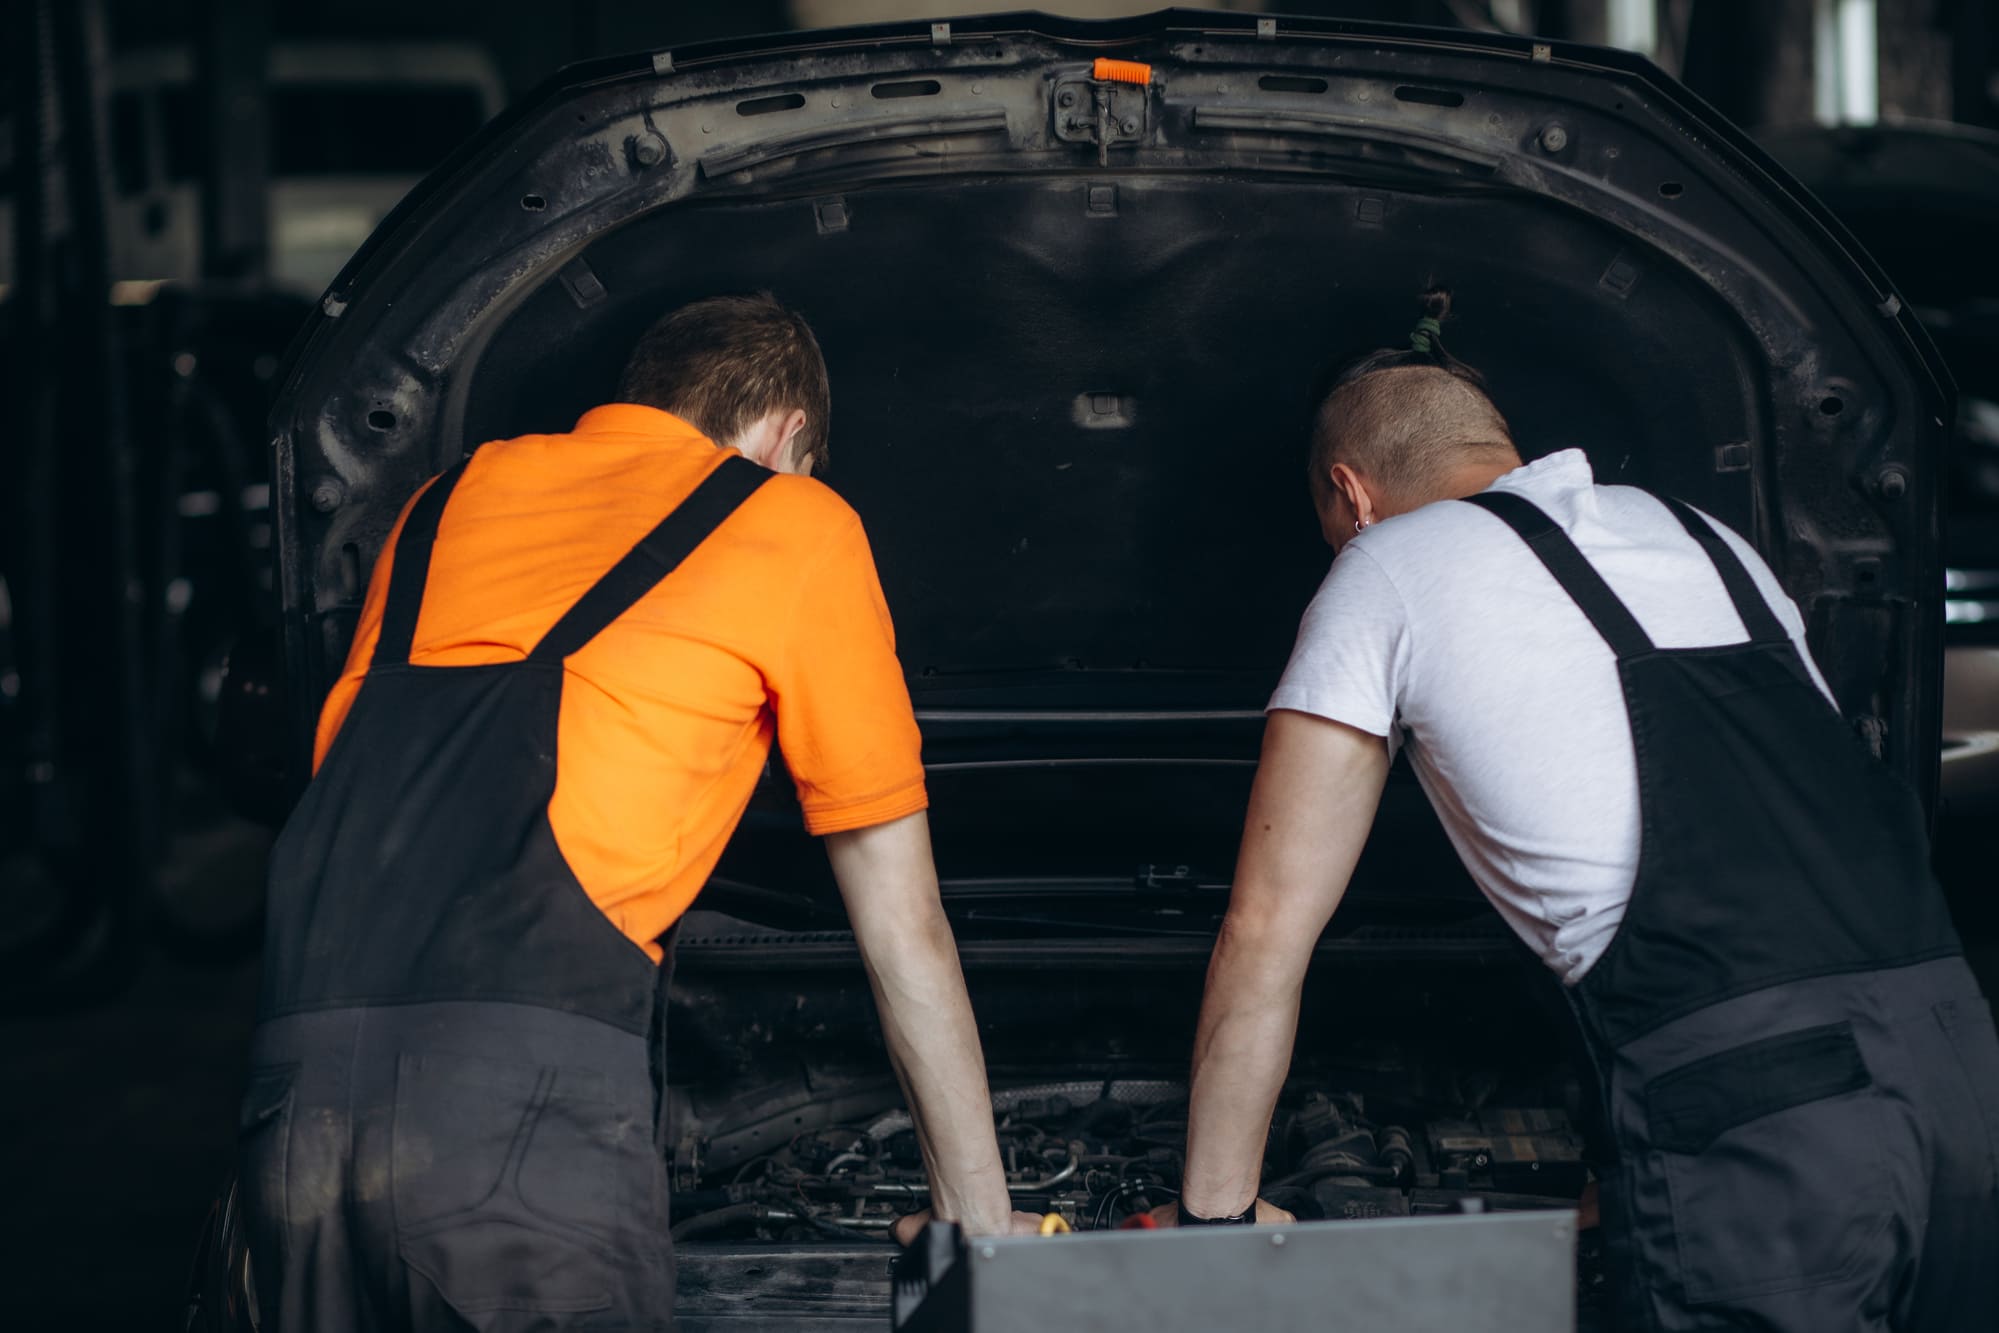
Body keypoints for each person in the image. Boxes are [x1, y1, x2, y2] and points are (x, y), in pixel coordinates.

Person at [1159, 292, 1999, 1331]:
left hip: (1759, 1132)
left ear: (1350, 494)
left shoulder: (1386, 565)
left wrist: (1215, 1226)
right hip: (1957, 1075)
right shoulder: (1707, 540)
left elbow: (1262, 936)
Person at [238, 294, 1036, 1330]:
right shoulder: (791, 519)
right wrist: (975, 1228)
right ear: (786, 435)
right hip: (515, 1130)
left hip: (291, 1108)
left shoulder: (443, 502)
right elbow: (902, 927)